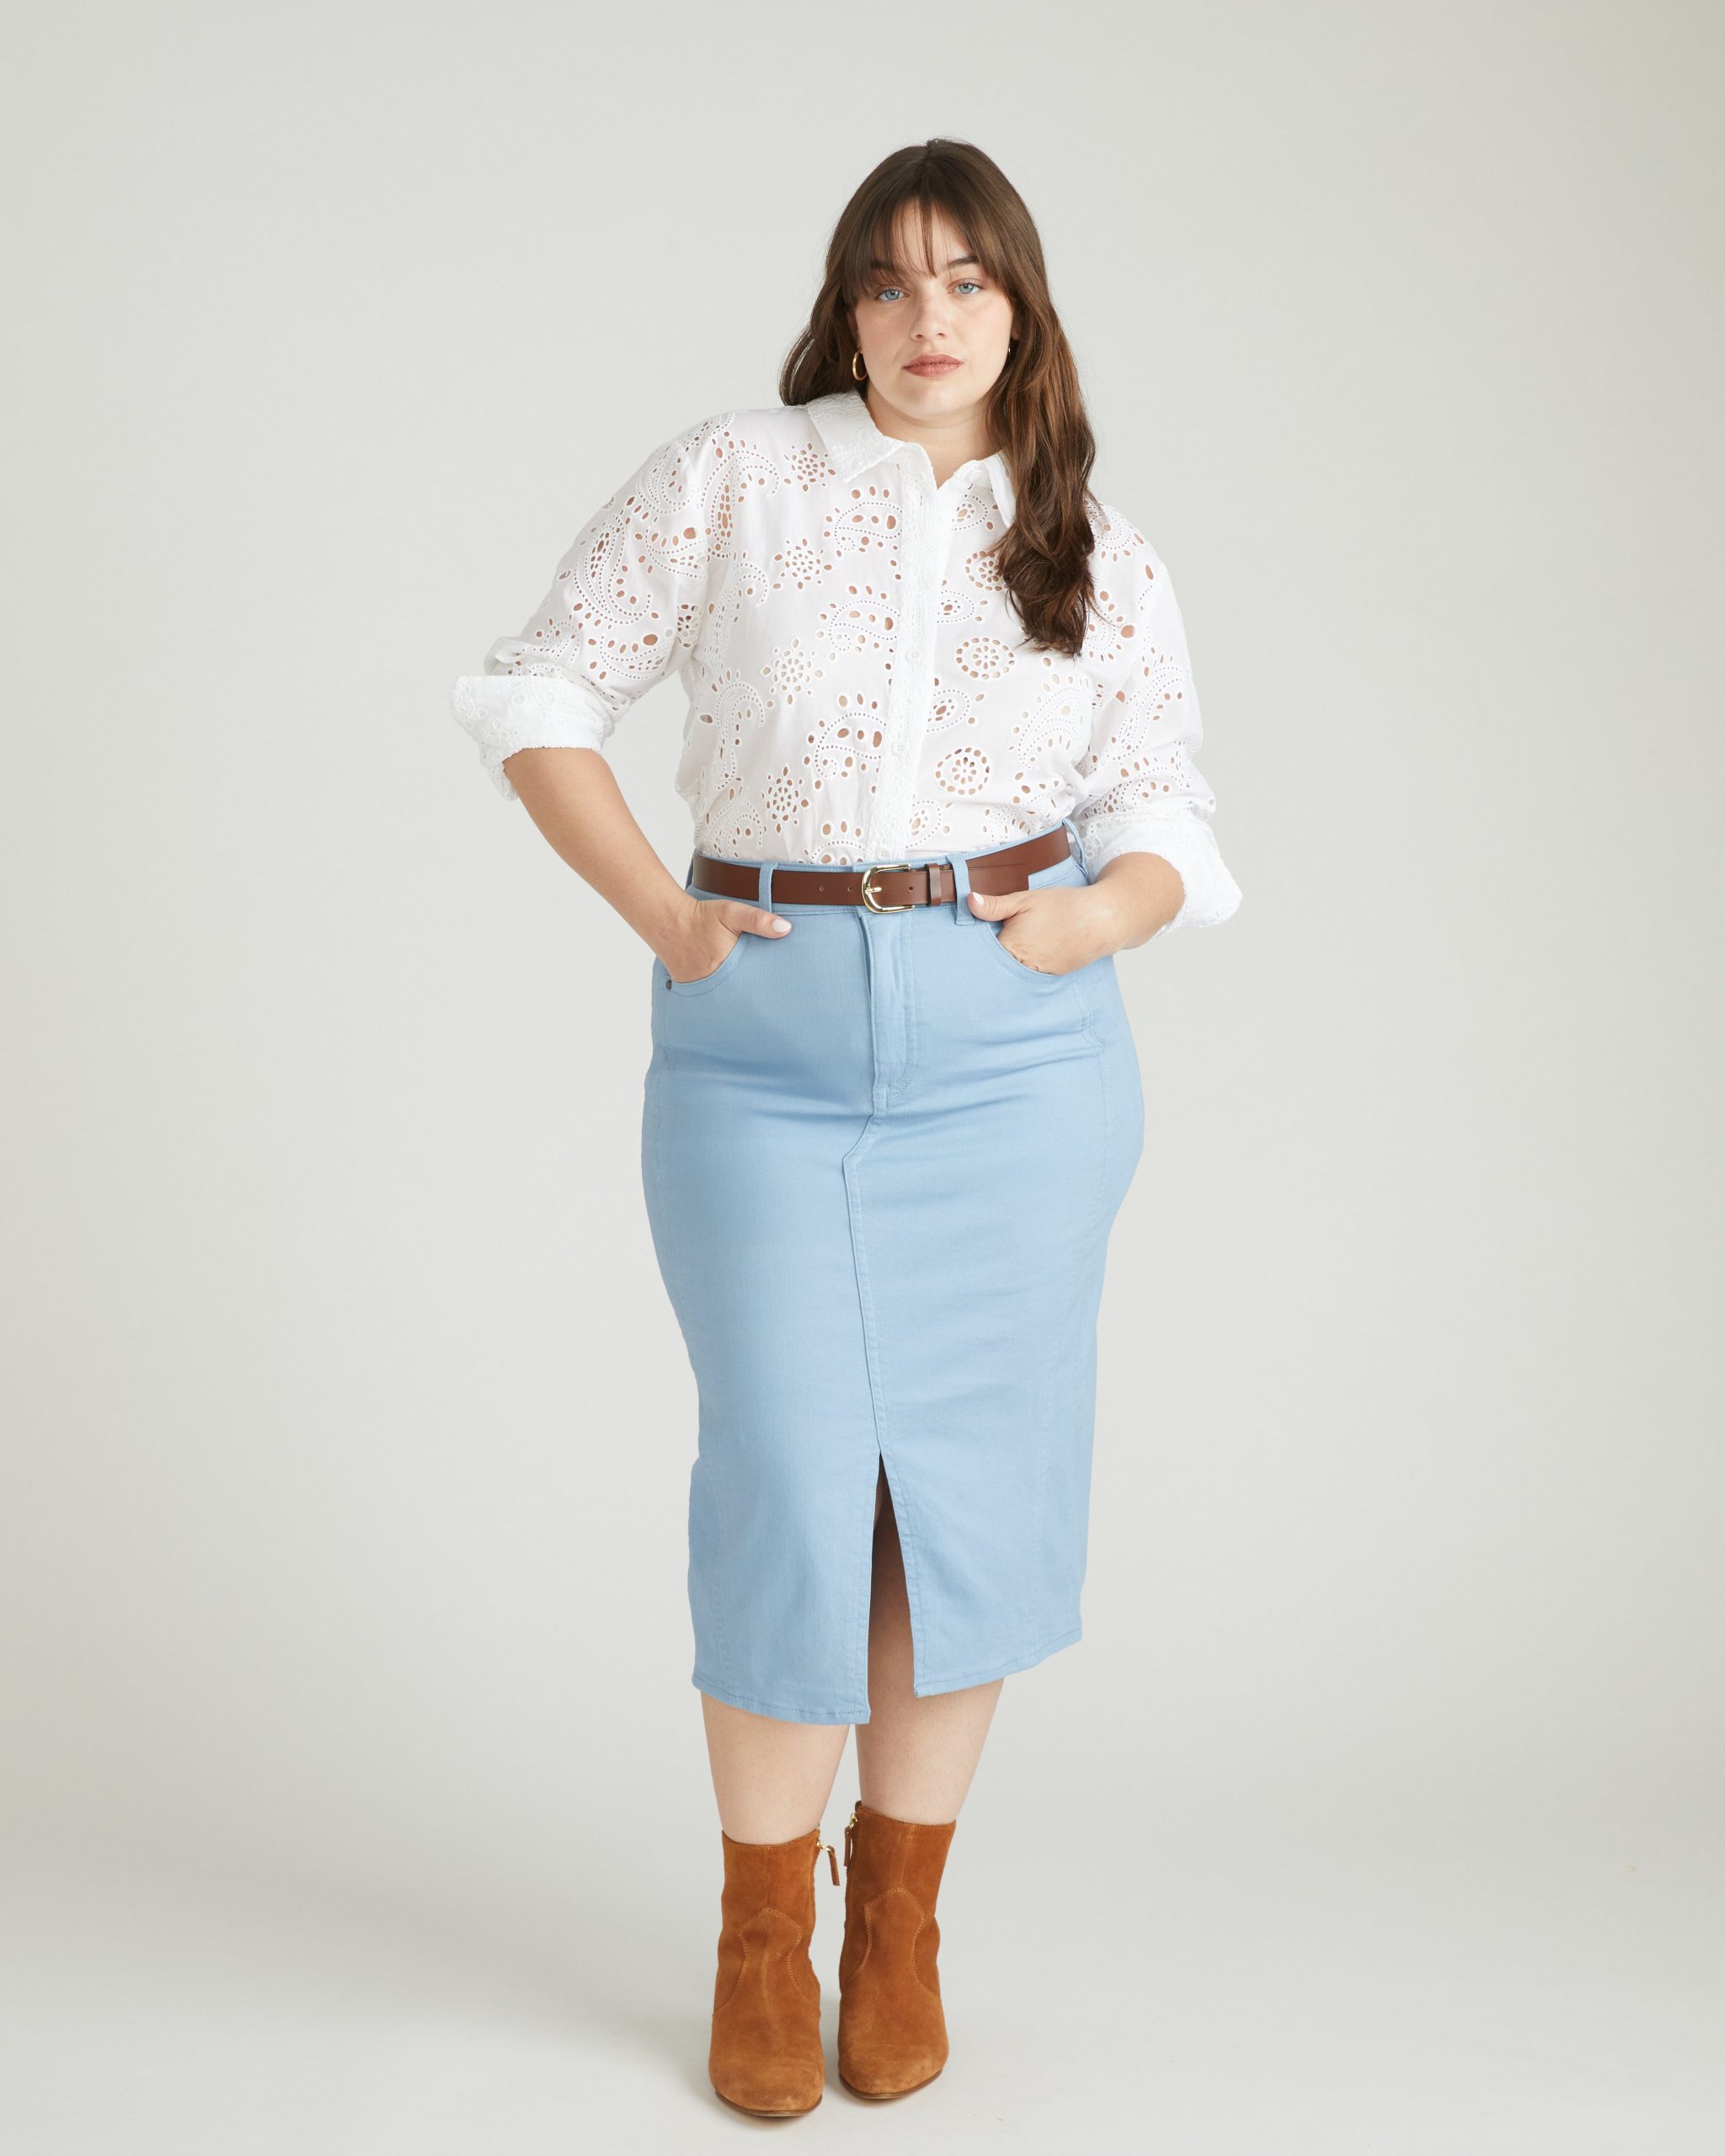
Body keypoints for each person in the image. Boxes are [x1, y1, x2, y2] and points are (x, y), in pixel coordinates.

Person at [450, 137, 1242, 2117]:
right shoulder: (733, 477)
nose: (926, 317)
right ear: (844, 307)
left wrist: (1090, 920)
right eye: (888, 280)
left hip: (1017, 1064)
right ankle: (754, 1939)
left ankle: (895, 1924)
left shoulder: (1094, 543)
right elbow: (538, 693)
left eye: (967, 279)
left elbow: (1163, 806)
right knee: (793, 1480)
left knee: (957, 1499)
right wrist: (664, 916)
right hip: (765, 1045)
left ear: (1022, 309)